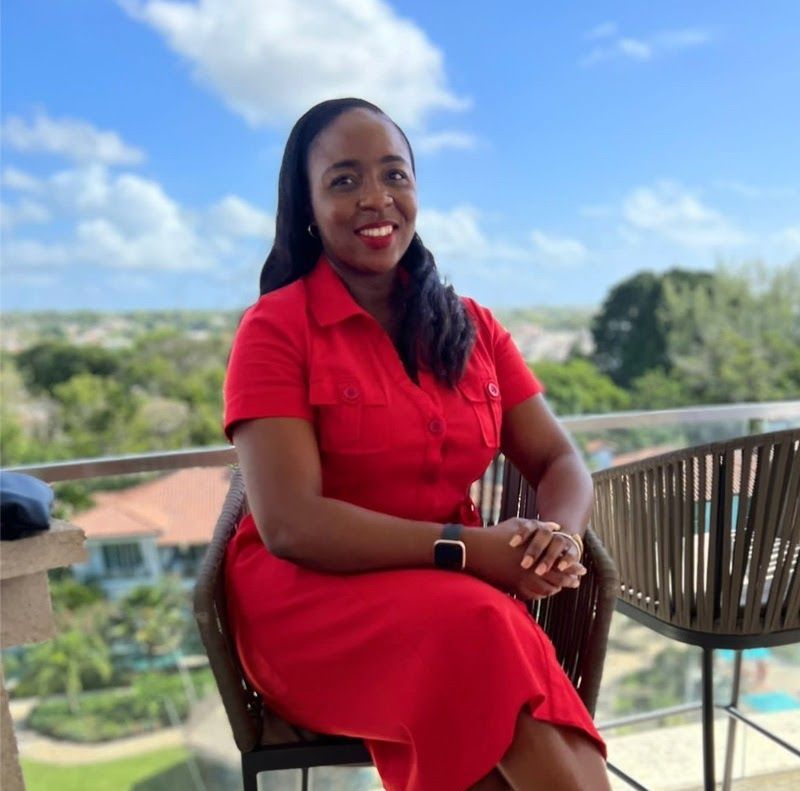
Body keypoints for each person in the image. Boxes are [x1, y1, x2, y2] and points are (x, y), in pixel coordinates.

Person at [223, 97, 610, 791]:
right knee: (486, 633)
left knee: (494, 693)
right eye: (344, 180)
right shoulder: (275, 329)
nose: (376, 198)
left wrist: (561, 536)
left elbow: (559, 460)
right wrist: (467, 550)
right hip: (312, 606)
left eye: (394, 175)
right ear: (306, 206)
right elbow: (289, 523)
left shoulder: (471, 326)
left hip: (453, 597)